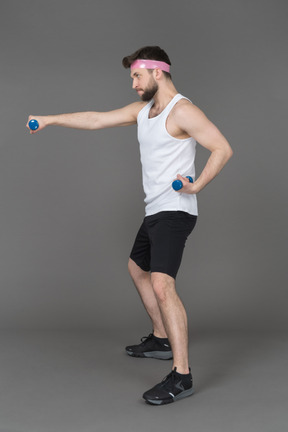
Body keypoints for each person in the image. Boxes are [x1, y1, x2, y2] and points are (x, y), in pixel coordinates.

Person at [27, 46, 233, 405]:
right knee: (137, 268)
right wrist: (50, 119)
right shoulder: (143, 113)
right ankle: (160, 339)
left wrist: (196, 185)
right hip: (154, 209)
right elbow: (95, 119)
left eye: (137, 76)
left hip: (175, 210)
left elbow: (222, 148)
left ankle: (182, 376)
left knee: (161, 283)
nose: (134, 84)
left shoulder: (182, 110)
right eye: (132, 78)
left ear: (157, 72)